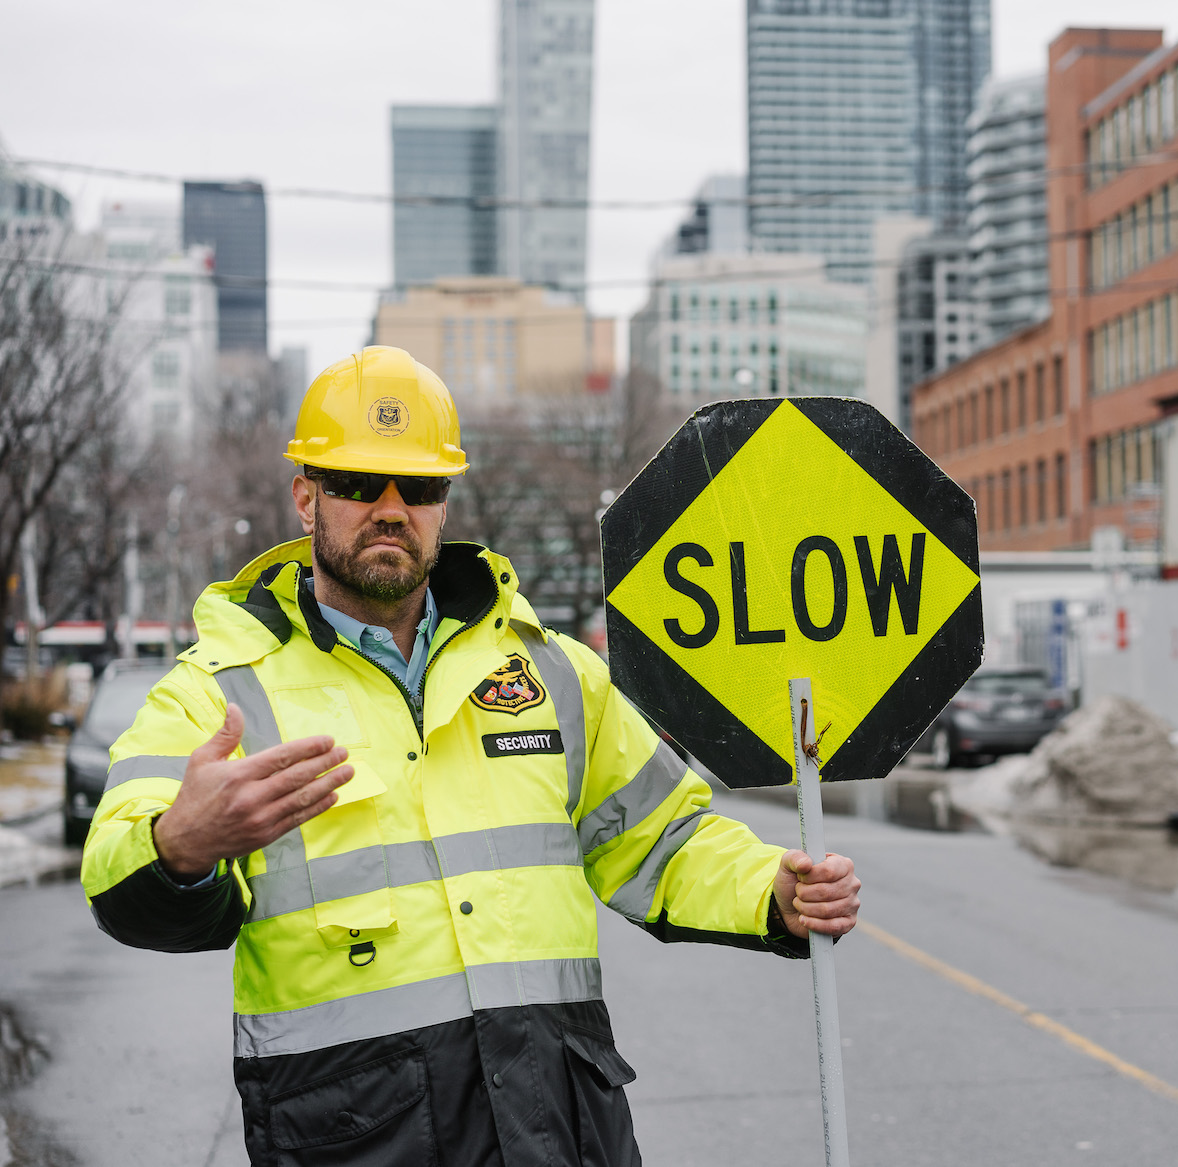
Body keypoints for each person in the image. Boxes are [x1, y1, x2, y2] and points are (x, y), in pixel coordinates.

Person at [80, 347, 860, 1165]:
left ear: (444, 504)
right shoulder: (218, 693)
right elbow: (112, 867)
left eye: (418, 487)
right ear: (306, 497)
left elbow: (663, 839)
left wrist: (769, 889)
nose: (391, 509)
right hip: (357, 1141)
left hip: (560, 1132)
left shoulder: (552, 670)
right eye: (358, 482)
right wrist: (180, 846)